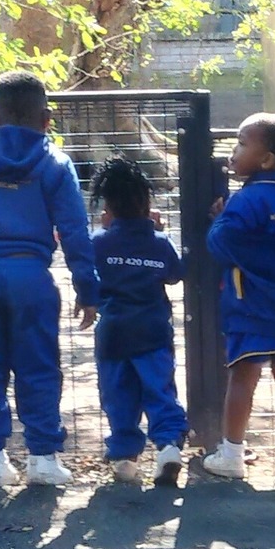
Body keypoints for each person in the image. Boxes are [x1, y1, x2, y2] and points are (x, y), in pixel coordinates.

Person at [0, 72, 100, 489]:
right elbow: (75, 230)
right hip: (30, 276)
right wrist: (87, 287)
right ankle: (43, 458)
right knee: (39, 366)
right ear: (47, 118)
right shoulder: (55, 162)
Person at [204, 114, 275, 479]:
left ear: (267, 158)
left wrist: (219, 220)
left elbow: (219, 246)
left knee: (243, 377)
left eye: (241, 144)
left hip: (248, 305)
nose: (234, 152)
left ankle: (232, 455)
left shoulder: (246, 200)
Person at [90, 157, 188, 485]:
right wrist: (156, 232)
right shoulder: (159, 243)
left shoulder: (98, 242)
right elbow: (175, 275)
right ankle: (169, 444)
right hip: (153, 331)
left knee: (118, 393)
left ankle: (124, 456)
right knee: (159, 389)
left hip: (114, 333)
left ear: (107, 207)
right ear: (148, 206)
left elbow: (90, 279)